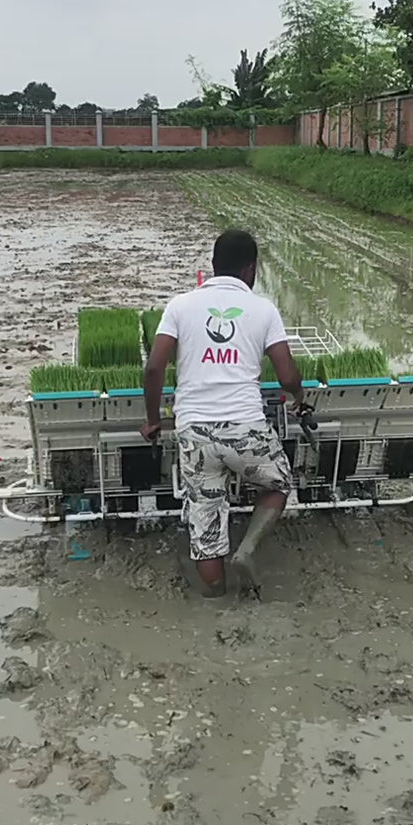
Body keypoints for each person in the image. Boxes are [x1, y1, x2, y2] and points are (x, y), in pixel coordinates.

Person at [140, 229, 303, 598]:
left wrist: (153, 420)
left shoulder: (180, 306)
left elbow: (153, 368)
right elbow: (287, 374)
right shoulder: (263, 309)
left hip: (195, 430)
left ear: (213, 267)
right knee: (277, 483)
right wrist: (298, 396)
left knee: (207, 518)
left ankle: (215, 597)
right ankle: (246, 551)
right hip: (245, 427)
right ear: (251, 268)